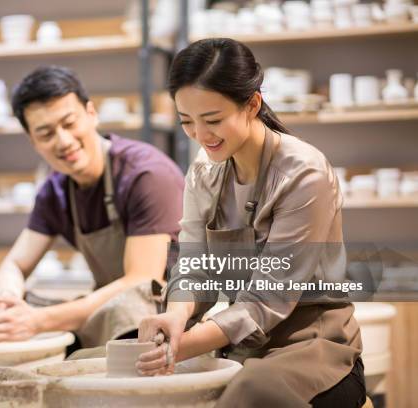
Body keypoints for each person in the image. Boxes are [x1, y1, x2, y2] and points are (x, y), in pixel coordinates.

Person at [136, 39, 366, 408]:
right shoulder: (204, 170)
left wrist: (180, 346)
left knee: (250, 390)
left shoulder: (303, 173)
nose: (200, 134)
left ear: (253, 104)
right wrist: (177, 314)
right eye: (186, 122)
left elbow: (267, 300)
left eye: (212, 120)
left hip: (316, 349)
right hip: (243, 348)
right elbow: (194, 266)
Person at [0, 66, 184, 351]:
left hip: (161, 313)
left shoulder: (146, 174)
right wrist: (4, 297)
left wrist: (38, 321)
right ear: (33, 142)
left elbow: (141, 279)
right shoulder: (56, 190)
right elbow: (15, 264)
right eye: (46, 133)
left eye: (69, 123)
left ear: (91, 113)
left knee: (128, 311)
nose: (63, 141)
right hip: (104, 309)